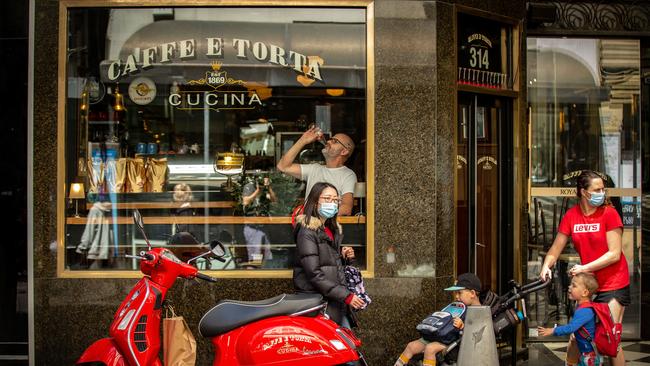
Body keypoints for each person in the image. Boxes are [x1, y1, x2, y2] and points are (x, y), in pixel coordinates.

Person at [540, 170, 628, 366]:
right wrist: (546, 265)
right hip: (590, 284)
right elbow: (555, 248)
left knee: (609, 338)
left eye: (603, 189)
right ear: (583, 192)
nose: (602, 193)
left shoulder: (609, 214)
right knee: (577, 336)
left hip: (614, 282)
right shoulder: (572, 216)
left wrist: (583, 267)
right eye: (597, 189)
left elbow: (614, 254)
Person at [293, 182, 365, 328]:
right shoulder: (307, 232)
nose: (331, 203)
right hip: (317, 303)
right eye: (327, 199)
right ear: (314, 202)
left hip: (334, 300)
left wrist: (343, 257)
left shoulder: (330, 229)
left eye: (335, 200)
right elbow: (314, 273)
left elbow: (328, 265)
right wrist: (346, 295)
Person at [394, 273, 482, 366]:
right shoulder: (457, 306)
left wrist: (462, 327)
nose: (456, 296)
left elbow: (477, 335)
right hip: (439, 336)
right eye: (455, 293)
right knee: (411, 346)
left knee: (430, 349)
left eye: (459, 293)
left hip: (454, 341)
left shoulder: (479, 312)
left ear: (472, 293)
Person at [277, 125, 356, 215]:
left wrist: (319, 217)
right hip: (308, 226)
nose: (329, 141)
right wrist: (303, 140)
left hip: (326, 227)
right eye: (330, 139)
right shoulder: (314, 169)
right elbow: (282, 166)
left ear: (344, 151)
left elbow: (346, 208)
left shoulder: (348, 175)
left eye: (334, 141)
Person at [538, 273, 602, 366]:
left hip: (589, 357)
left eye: (574, 285)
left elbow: (571, 328)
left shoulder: (585, 311)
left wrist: (553, 330)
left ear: (584, 292)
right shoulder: (584, 308)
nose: (569, 287)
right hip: (586, 353)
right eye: (571, 284)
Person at [242, 176, 276, 266]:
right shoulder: (250, 186)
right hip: (252, 226)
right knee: (255, 254)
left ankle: (267, 271)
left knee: (267, 250)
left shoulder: (266, 190)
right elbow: (245, 201)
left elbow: (274, 200)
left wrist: (268, 187)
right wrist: (257, 191)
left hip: (263, 226)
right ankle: (255, 274)